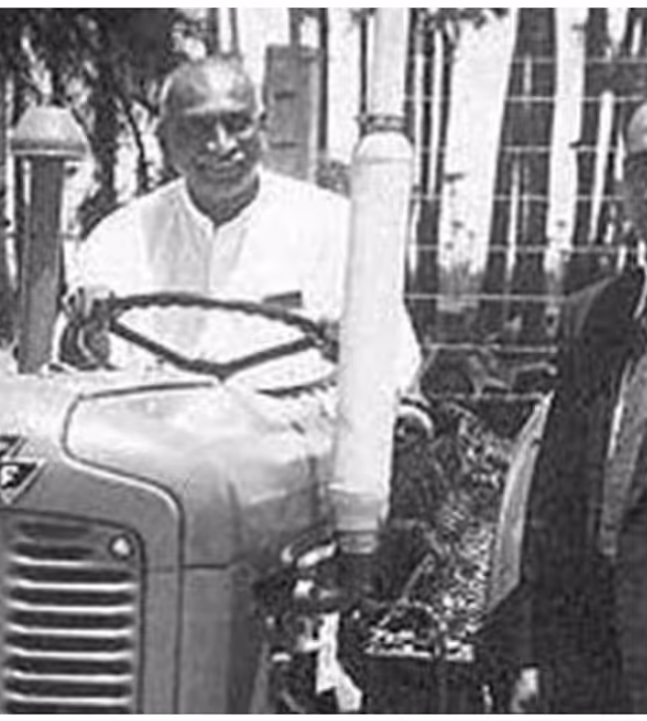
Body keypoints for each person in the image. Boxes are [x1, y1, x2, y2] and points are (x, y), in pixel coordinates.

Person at [67, 54, 421, 592]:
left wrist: (353, 350)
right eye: (198, 129)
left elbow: (394, 365)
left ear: (264, 127)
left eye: (236, 123)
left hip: (295, 454)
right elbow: (76, 370)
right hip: (148, 455)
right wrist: (87, 335)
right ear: (165, 139)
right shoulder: (118, 239)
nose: (221, 145)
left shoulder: (335, 227)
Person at [514, 93, 647, 713]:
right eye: (642, 167)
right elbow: (554, 501)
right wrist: (532, 654)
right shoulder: (593, 316)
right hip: (590, 661)